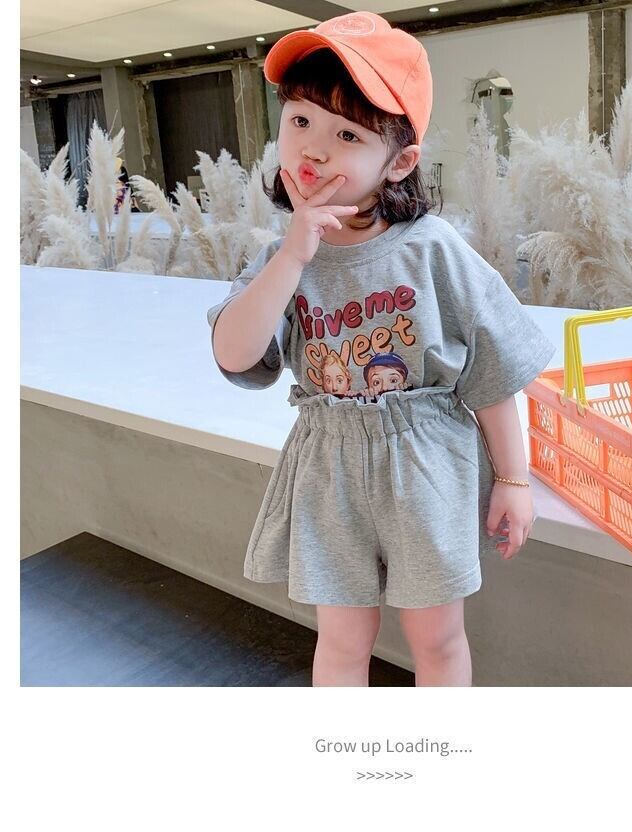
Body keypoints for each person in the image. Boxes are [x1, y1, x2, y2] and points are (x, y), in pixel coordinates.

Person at [206, 11, 556, 687]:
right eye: (300, 120)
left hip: (426, 460)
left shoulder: (432, 249)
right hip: (328, 464)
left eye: (347, 134)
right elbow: (233, 353)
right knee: (341, 639)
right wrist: (291, 256)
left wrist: (514, 480)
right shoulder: (284, 257)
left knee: (437, 637)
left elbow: (490, 371)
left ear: (399, 162)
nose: (312, 150)